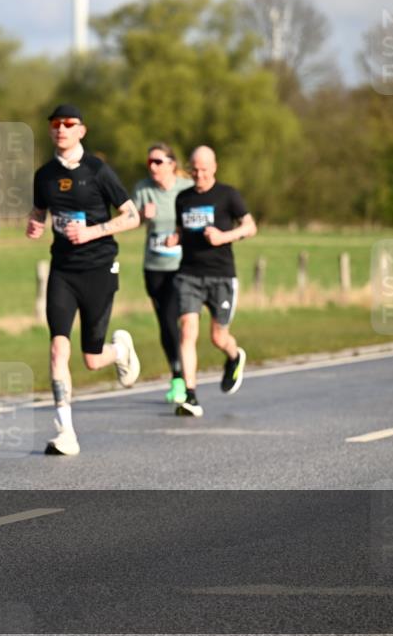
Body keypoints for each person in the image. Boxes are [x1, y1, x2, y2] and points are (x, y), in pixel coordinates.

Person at [27, 104, 142, 456]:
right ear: (50, 131)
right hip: (62, 270)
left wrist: (92, 231)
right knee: (58, 347)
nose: (61, 129)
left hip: (98, 269)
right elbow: (39, 212)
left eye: (69, 124)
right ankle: (66, 432)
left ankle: (120, 350)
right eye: (55, 124)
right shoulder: (44, 175)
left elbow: (133, 216)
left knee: (92, 358)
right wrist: (34, 224)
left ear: (82, 130)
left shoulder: (98, 171)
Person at [166, 146, 256, 417]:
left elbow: (251, 227)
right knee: (187, 330)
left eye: (204, 169)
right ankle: (191, 396)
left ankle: (233, 356)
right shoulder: (183, 198)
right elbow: (182, 230)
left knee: (218, 336)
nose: (199, 174)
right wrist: (175, 238)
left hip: (221, 275)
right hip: (189, 274)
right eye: (195, 169)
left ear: (214, 167)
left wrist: (223, 237)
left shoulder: (228, 195)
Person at [132, 143, 194, 404]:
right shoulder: (143, 189)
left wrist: (179, 237)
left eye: (158, 161)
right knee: (167, 322)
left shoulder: (185, 188)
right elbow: (127, 218)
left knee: (187, 322)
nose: (153, 167)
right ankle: (178, 376)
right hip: (155, 267)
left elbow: (197, 220)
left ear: (171, 163)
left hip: (183, 266)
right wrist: (141, 216)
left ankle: (186, 373)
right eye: (150, 163)